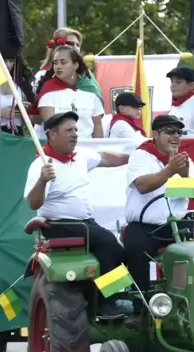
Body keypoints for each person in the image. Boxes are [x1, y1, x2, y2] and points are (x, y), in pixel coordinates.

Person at [23, 112, 130, 316]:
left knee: (122, 246)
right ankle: (108, 302)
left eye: (76, 130)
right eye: (69, 130)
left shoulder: (80, 157)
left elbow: (106, 158)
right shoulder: (40, 166)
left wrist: (132, 158)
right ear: (52, 134)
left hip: (84, 223)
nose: (75, 134)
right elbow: (33, 203)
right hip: (58, 226)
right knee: (108, 243)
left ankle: (110, 294)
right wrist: (43, 181)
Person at [122, 115, 194, 324]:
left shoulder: (183, 159)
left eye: (179, 132)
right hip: (144, 226)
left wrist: (186, 173)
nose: (176, 136)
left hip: (177, 224)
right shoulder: (140, 156)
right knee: (134, 248)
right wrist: (170, 170)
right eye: (170, 131)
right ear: (156, 134)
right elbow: (142, 185)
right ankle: (139, 309)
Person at [32, 45, 105, 138]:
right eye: (55, 63)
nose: (58, 66)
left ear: (75, 65)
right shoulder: (48, 91)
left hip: (89, 149)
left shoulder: (90, 91)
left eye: (63, 62)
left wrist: (98, 150)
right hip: (60, 149)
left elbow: (98, 126)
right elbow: (50, 126)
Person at [166, 66, 194, 138]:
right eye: (172, 81)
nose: (173, 85)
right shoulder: (172, 104)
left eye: (178, 82)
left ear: (191, 85)